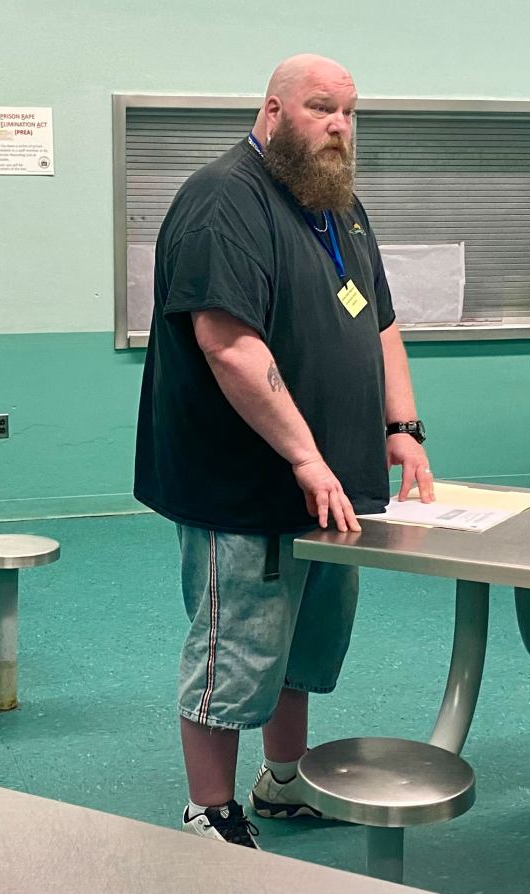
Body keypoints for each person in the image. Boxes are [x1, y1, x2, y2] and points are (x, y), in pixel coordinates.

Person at [133, 53, 435, 849]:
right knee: (236, 643)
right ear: (272, 111)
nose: (338, 125)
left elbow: (382, 326)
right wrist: (304, 456)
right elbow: (228, 344)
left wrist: (401, 430)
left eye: (349, 111)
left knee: (302, 640)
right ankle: (209, 809)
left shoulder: (340, 204)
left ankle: (283, 777)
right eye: (320, 108)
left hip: (335, 484)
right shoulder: (221, 200)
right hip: (244, 482)